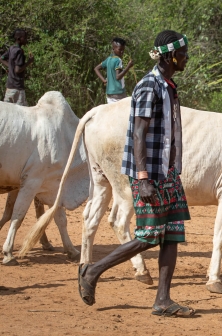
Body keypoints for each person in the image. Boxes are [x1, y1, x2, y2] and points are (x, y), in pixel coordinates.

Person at [78, 30, 195, 317]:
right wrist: (142, 178)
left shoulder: (168, 86)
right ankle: (92, 271)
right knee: (148, 236)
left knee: (171, 234)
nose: (186, 58)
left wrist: (172, 169)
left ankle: (163, 301)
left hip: (167, 172)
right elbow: (139, 134)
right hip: (150, 174)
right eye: (183, 53)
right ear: (170, 56)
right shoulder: (149, 86)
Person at [94, 37, 134, 104]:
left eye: (123, 50)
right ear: (113, 49)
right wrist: (128, 67)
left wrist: (104, 80)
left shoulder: (109, 59)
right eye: (120, 49)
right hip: (119, 93)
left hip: (109, 94)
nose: (122, 52)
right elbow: (118, 77)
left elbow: (96, 68)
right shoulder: (118, 60)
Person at [1, 29, 34, 106]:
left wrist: (10, 66)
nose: (26, 40)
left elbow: (1, 58)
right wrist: (29, 62)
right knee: (23, 112)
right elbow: (17, 70)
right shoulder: (19, 51)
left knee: (7, 111)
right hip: (17, 88)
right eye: (25, 38)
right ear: (19, 39)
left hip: (9, 87)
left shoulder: (11, 48)